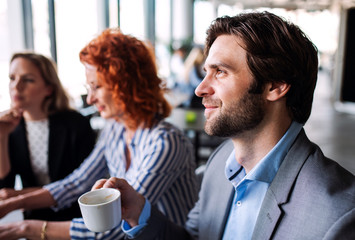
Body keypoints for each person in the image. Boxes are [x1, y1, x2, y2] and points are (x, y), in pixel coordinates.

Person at [92, 11, 355, 240]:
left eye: (220, 71)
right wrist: (140, 214)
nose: (200, 88)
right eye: (206, 71)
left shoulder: (339, 214)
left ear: (274, 86)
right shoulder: (220, 164)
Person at [0, 28, 198, 240]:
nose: (90, 99)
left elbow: (116, 222)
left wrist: (25, 228)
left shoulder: (164, 142)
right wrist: (16, 202)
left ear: (125, 85)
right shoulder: (115, 128)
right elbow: (77, 182)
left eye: (96, 87)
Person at [0, 52, 96, 221]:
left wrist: (20, 195)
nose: (16, 86)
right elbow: (5, 188)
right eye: (12, 78)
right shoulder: (11, 128)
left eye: (28, 79)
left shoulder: (75, 124)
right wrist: (1, 136)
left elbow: (82, 184)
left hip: (75, 217)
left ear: (49, 89)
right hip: (34, 218)